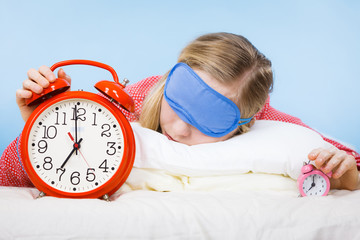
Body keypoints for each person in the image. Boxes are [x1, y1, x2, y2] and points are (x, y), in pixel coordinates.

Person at [1, 32, 359, 190]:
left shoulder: (267, 119)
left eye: (209, 119)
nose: (182, 129)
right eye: (178, 103)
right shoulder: (135, 99)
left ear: (246, 120)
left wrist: (343, 169)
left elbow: (342, 156)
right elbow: (8, 176)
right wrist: (37, 123)